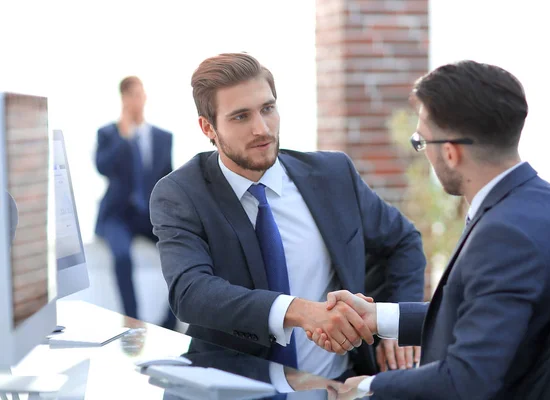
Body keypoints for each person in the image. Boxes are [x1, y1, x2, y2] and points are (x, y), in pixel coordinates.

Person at [308, 60, 550, 399]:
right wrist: (380, 317)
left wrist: (367, 387)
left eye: (421, 142)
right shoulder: (548, 205)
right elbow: (483, 315)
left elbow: (467, 381)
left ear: (450, 152)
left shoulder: (506, 237)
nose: (424, 154)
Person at [149, 52, 427, 383]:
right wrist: (300, 312)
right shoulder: (181, 194)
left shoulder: (333, 175)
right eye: (240, 117)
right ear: (208, 127)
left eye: (268, 109)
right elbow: (190, 292)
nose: (261, 129)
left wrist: (394, 325)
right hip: (234, 387)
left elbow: (403, 241)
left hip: (340, 384)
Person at [95, 76, 177, 330]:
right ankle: (133, 323)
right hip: (117, 216)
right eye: (130, 95)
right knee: (121, 257)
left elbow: (168, 178)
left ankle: (169, 322)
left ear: (145, 97)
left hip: (149, 215)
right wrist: (124, 136)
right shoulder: (108, 134)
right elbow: (103, 168)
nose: (135, 100)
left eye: (139, 94)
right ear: (123, 99)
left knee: (179, 254)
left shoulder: (164, 137)